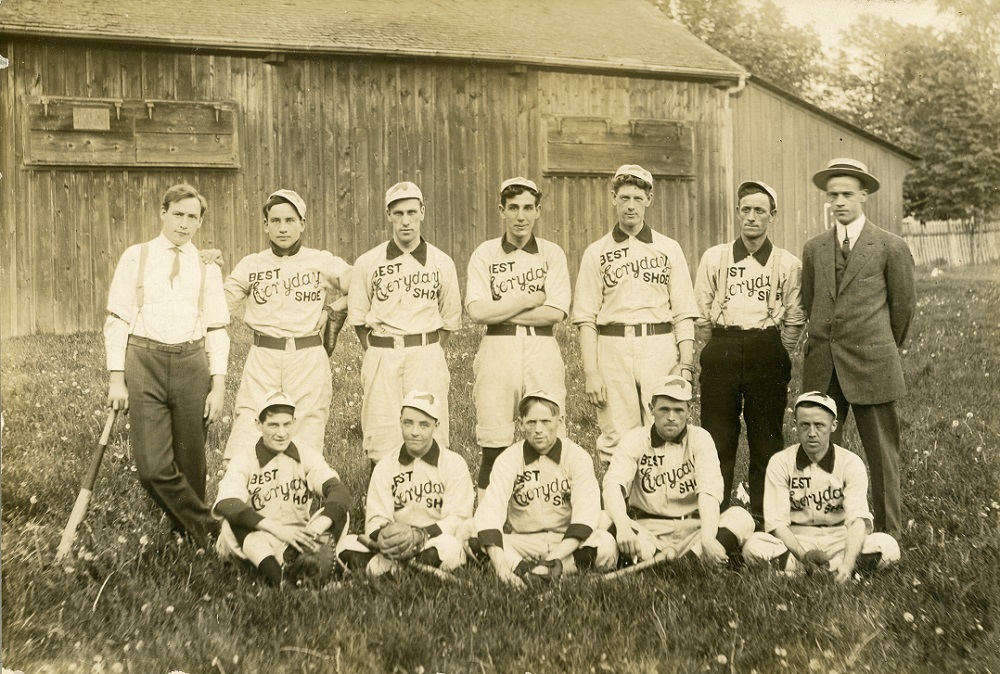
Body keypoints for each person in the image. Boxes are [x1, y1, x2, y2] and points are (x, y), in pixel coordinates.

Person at [104, 183, 230, 549]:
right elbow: (117, 318)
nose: (184, 224)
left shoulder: (207, 267)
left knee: (193, 464)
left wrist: (218, 385)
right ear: (163, 213)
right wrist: (116, 378)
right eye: (178, 214)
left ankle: (189, 540)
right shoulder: (136, 256)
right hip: (144, 362)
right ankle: (212, 529)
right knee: (152, 468)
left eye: (193, 217)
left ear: (200, 222)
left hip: (192, 364)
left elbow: (217, 327)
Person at [801, 158, 916, 536]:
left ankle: (887, 533)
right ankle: (820, 526)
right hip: (824, 365)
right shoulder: (815, 248)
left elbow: (902, 310)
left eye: (847, 194)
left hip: (872, 363)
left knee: (882, 454)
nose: (839, 202)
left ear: (864, 196)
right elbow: (811, 299)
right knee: (816, 447)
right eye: (833, 195)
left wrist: (878, 346)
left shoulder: (889, 246)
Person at [693, 180, 806, 526]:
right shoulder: (716, 257)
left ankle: (764, 515)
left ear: (772, 216)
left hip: (766, 349)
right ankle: (716, 515)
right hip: (723, 347)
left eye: (760, 211)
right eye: (746, 210)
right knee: (717, 436)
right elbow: (700, 314)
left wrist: (774, 350)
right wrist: (720, 344)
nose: (752, 218)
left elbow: (795, 316)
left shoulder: (787, 264)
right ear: (737, 213)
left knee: (766, 436)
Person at [573, 164, 699, 464]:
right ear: (614, 197)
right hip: (612, 346)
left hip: (658, 344)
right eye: (625, 197)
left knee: (666, 427)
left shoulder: (668, 248)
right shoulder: (596, 252)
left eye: (638, 199)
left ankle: (664, 505)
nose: (631, 206)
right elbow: (585, 318)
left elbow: (683, 312)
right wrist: (591, 372)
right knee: (617, 434)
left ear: (649, 199)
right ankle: (621, 507)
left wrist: (685, 363)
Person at [222, 189, 352, 461]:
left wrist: (334, 308)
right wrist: (208, 267)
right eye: (276, 221)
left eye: (290, 221)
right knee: (248, 427)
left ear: (302, 224)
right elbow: (218, 305)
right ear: (266, 225)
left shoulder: (320, 260)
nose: (283, 228)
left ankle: (299, 499)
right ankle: (242, 498)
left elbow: (362, 285)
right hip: (263, 357)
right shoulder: (251, 264)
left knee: (306, 434)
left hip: (307, 357)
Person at [465, 177, 571, 496]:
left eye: (528, 208)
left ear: (538, 211)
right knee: (494, 438)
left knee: (547, 433)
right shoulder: (485, 254)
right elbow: (478, 311)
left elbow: (555, 311)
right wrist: (527, 299)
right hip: (497, 347)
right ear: (502, 210)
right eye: (513, 208)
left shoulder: (552, 253)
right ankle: (487, 522)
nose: (521, 216)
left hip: (542, 345)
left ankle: (548, 513)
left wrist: (500, 307)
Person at [348, 182, 462, 465]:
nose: (406, 221)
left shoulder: (441, 262)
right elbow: (359, 320)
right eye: (398, 213)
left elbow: (449, 321)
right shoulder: (368, 262)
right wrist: (380, 349)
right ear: (388, 215)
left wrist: (426, 348)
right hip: (382, 354)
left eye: (412, 212)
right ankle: (381, 504)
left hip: (425, 353)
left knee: (429, 428)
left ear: (422, 212)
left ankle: (429, 501)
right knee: (380, 432)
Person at [742, 392, 900, 581]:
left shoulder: (850, 462)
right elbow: (777, 524)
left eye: (819, 425)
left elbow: (858, 519)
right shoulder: (781, 462)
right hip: (797, 538)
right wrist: (803, 556)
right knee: (753, 547)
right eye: (804, 425)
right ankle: (823, 571)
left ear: (833, 425)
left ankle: (810, 573)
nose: (811, 433)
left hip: (839, 537)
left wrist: (848, 562)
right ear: (796, 425)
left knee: (888, 547)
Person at [602, 376, 754, 567]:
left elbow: (709, 491)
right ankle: (689, 563)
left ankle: (668, 563)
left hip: (694, 530)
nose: (671, 417)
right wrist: (623, 526)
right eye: (664, 409)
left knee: (741, 518)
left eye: (678, 410)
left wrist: (707, 538)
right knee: (607, 519)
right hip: (649, 530)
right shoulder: (635, 439)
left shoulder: (700, 438)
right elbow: (612, 485)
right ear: (651, 409)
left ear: (689, 411)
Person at [473, 392, 618, 587]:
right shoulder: (509, 458)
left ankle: (533, 571)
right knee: (472, 533)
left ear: (560, 421)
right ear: (521, 423)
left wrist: (553, 558)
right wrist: (501, 568)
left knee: (606, 543)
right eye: (531, 422)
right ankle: (532, 572)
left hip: (565, 540)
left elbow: (586, 514)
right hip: (523, 540)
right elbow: (491, 510)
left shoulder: (576, 456)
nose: (538, 430)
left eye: (546, 421)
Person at [213, 391, 351, 587]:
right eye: (273, 425)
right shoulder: (244, 458)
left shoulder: (304, 453)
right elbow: (227, 504)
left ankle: (308, 564)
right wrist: (276, 530)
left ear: (294, 422)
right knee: (231, 524)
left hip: (298, 540)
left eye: (287, 424)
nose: (281, 433)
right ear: (258, 425)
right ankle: (281, 581)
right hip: (257, 539)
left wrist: (315, 530)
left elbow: (339, 492)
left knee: (339, 513)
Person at [338, 391, 475, 576]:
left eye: (424, 425)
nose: (414, 432)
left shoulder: (453, 463)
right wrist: (385, 538)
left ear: (437, 425)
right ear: (400, 421)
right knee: (345, 546)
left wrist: (420, 535)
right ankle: (412, 571)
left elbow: (458, 519)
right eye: (408, 423)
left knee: (449, 547)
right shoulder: (386, 465)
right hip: (394, 546)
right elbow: (376, 519)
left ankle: (387, 571)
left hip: (433, 541)